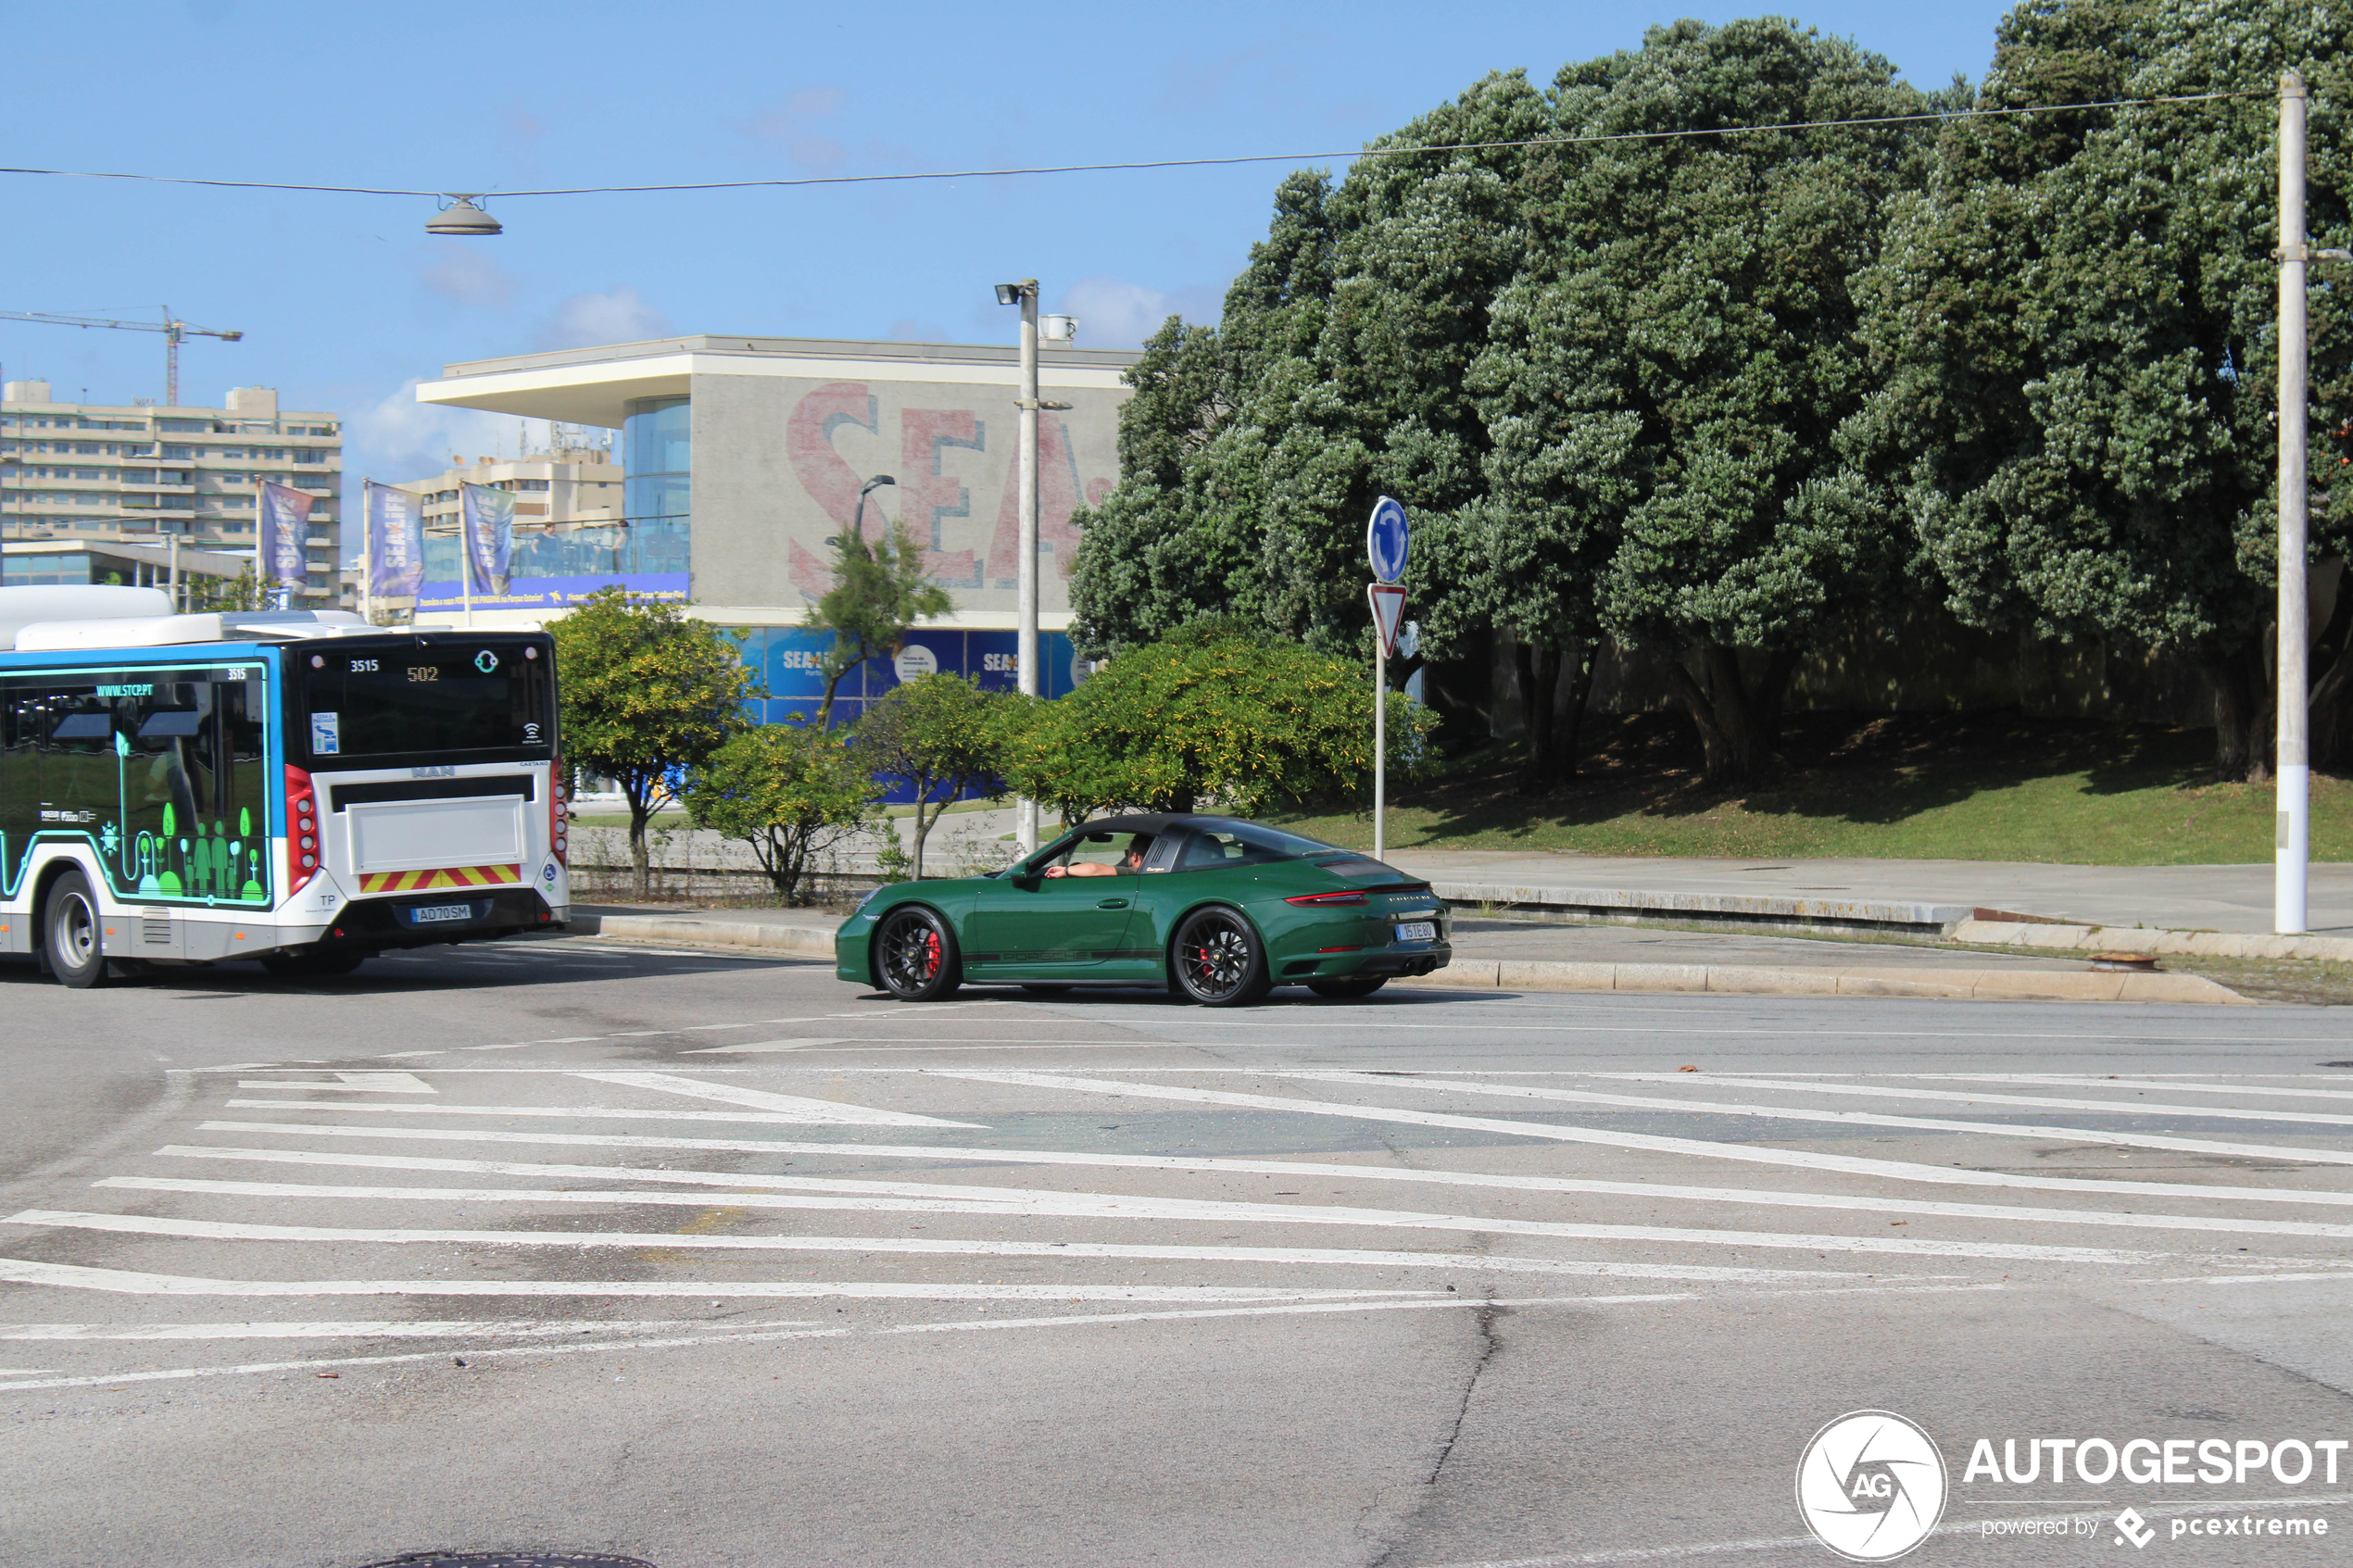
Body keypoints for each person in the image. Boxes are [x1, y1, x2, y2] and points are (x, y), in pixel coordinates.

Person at [1044, 834, 1153, 879]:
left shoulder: (1135, 872)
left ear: (1134, 856)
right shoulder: (1155, 872)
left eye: (1127, 854)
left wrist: (1065, 871)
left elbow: (1094, 869)